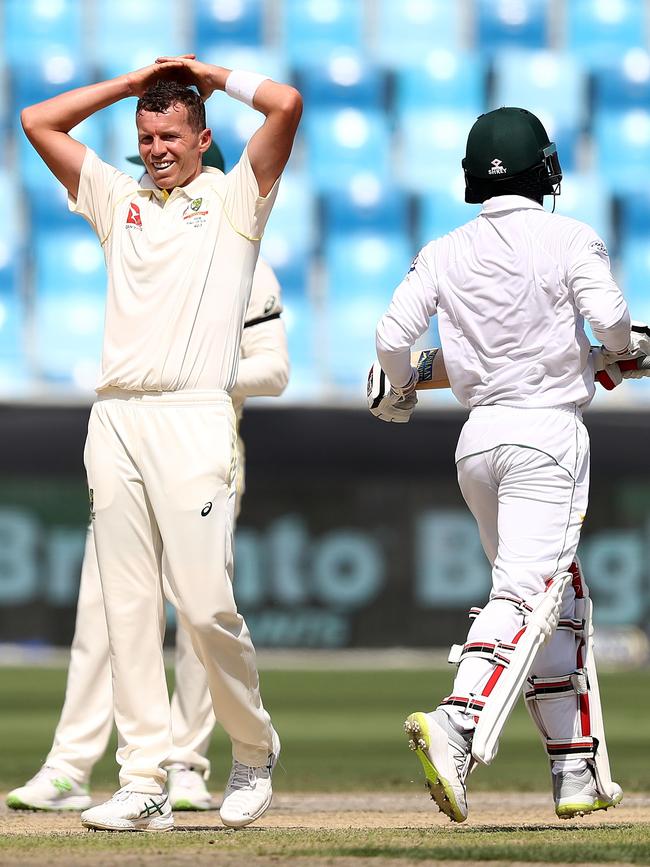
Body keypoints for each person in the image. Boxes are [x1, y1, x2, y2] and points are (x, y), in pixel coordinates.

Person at [20, 55, 301, 831]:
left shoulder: (236, 198)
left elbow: (287, 105)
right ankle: (143, 776)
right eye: (145, 136)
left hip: (194, 416)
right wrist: (128, 83)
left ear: (202, 136)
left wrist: (210, 72)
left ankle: (252, 745)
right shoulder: (118, 199)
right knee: (128, 611)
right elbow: (36, 121)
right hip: (115, 417)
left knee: (207, 608)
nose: (155, 149)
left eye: (170, 135)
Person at [369, 107, 631, 823]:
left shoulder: (443, 249)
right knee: (528, 594)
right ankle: (457, 725)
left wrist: (398, 391)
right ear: (545, 169)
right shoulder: (570, 235)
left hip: (478, 441)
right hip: (548, 432)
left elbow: (393, 337)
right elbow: (610, 321)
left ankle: (575, 768)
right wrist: (611, 348)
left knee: (562, 602)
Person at [6, 232, 289, 812]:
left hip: (202, 455)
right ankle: (71, 765)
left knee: (197, 613)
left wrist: (200, 377)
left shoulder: (244, 266)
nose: (147, 176)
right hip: (129, 447)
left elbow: (276, 370)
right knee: (103, 612)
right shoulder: (137, 251)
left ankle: (186, 762)